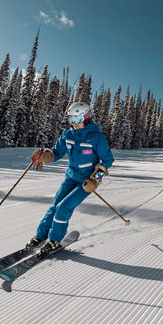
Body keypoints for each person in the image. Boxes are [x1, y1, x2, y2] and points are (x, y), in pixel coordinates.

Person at [25, 101, 114, 257]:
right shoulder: (67, 134)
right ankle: (40, 237)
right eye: (71, 119)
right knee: (54, 208)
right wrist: (45, 156)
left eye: (77, 119)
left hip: (85, 183)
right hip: (70, 178)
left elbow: (107, 161)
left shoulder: (96, 137)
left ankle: (54, 240)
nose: (74, 123)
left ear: (86, 118)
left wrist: (96, 179)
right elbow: (56, 153)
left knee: (63, 208)